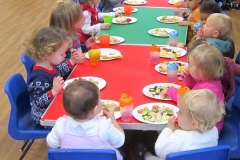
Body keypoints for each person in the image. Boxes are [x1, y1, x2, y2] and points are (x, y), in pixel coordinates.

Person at [46, 81, 125, 160]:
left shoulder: (61, 124)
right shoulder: (105, 126)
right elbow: (119, 142)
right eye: (100, 100)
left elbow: (51, 145)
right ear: (94, 110)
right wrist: (112, 119)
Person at [144, 89, 225, 160]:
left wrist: (169, 129)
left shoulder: (180, 137)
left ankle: (144, 153)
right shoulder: (213, 130)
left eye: (180, 112)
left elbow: (159, 150)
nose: (177, 113)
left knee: (148, 155)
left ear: (194, 124)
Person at [22, 27, 80, 126]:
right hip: (43, 117)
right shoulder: (39, 78)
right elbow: (39, 101)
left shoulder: (49, 65)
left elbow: (59, 71)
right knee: (79, 117)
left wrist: (72, 62)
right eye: (62, 54)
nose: (64, 56)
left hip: (53, 105)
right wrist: (53, 91)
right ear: (48, 54)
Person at [161, 44, 225, 131]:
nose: (187, 67)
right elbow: (194, 87)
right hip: (201, 124)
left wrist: (170, 91)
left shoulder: (208, 90)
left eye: (190, 65)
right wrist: (188, 77)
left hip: (204, 132)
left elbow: (186, 103)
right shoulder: (207, 80)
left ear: (202, 71)